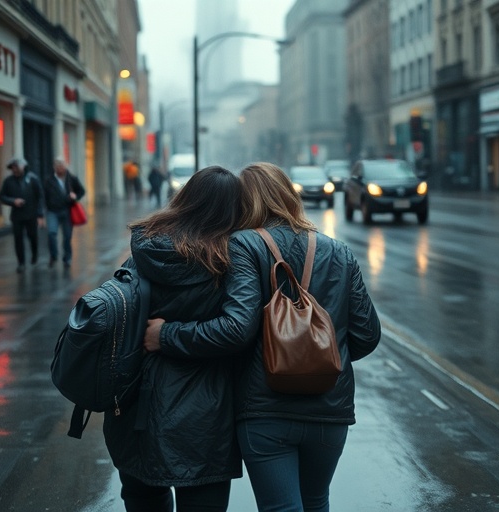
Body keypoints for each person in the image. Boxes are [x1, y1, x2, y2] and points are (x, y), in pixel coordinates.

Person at [147, 162, 382, 511]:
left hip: (265, 409)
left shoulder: (244, 244)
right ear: (289, 195)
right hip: (330, 409)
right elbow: (367, 335)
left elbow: (235, 329)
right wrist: (318, 357)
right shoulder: (339, 251)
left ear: (246, 204)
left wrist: (166, 334)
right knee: (316, 501)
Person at [103, 166, 243, 512]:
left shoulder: (145, 248)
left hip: (137, 402)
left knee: (142, 497)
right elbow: (237, 329)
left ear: (185, 199)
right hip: (206, 411)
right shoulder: (231, 260)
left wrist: (162, 334)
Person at [0, 157, 46, 273]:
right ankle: (21, 263)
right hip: (17, 216)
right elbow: (2, 196)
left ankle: (34, 255)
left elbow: (40, 197)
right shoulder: (8, 181)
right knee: (18, 239)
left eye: (16, 166)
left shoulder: (33, 179)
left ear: (23, 166)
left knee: (32, 237)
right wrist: (13, 201)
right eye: (12, 167)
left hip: (31, 215)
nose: (14, 169)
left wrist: (40, 215)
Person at [43, 157, 85, 268]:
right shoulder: (48, 180)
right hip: (52, 211)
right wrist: (44, 210)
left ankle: (67, 258)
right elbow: (44, 196)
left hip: (67, 210)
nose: (60, 168)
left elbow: (81, 191)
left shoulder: (71, 178)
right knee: (52, 233)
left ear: (65, 167)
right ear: (54, 168)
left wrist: (75, 196)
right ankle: (54, 255)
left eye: (62, 166)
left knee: (67, 236)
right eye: (58, 166)